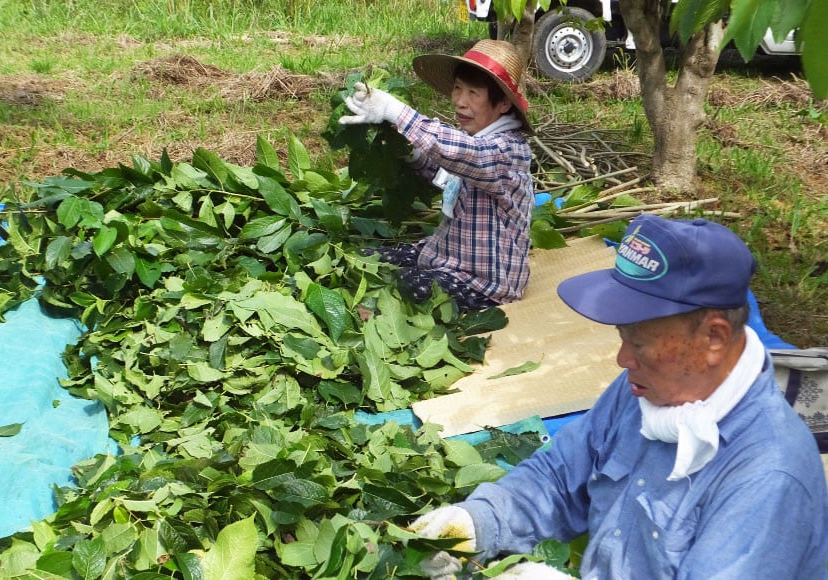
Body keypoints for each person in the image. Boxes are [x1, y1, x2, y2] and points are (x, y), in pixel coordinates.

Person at [410, 214, 828, 579]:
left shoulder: (768, 477)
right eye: (622, 337)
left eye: (640, 342)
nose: (622, 358)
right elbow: (558, 476)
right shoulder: (650, 392)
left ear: (714, 337)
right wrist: (477, 522)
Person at [339, 40, 534, 311]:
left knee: (389, 289)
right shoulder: (477, 139)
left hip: (482, 283)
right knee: (364, 261)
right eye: (457, 89)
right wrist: (409, 151)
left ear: (502, 104)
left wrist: (395, 111)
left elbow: (462, 153)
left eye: (473, 93)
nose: (460, 102)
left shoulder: (508, 151)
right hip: (447, 254)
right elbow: (445, 172)